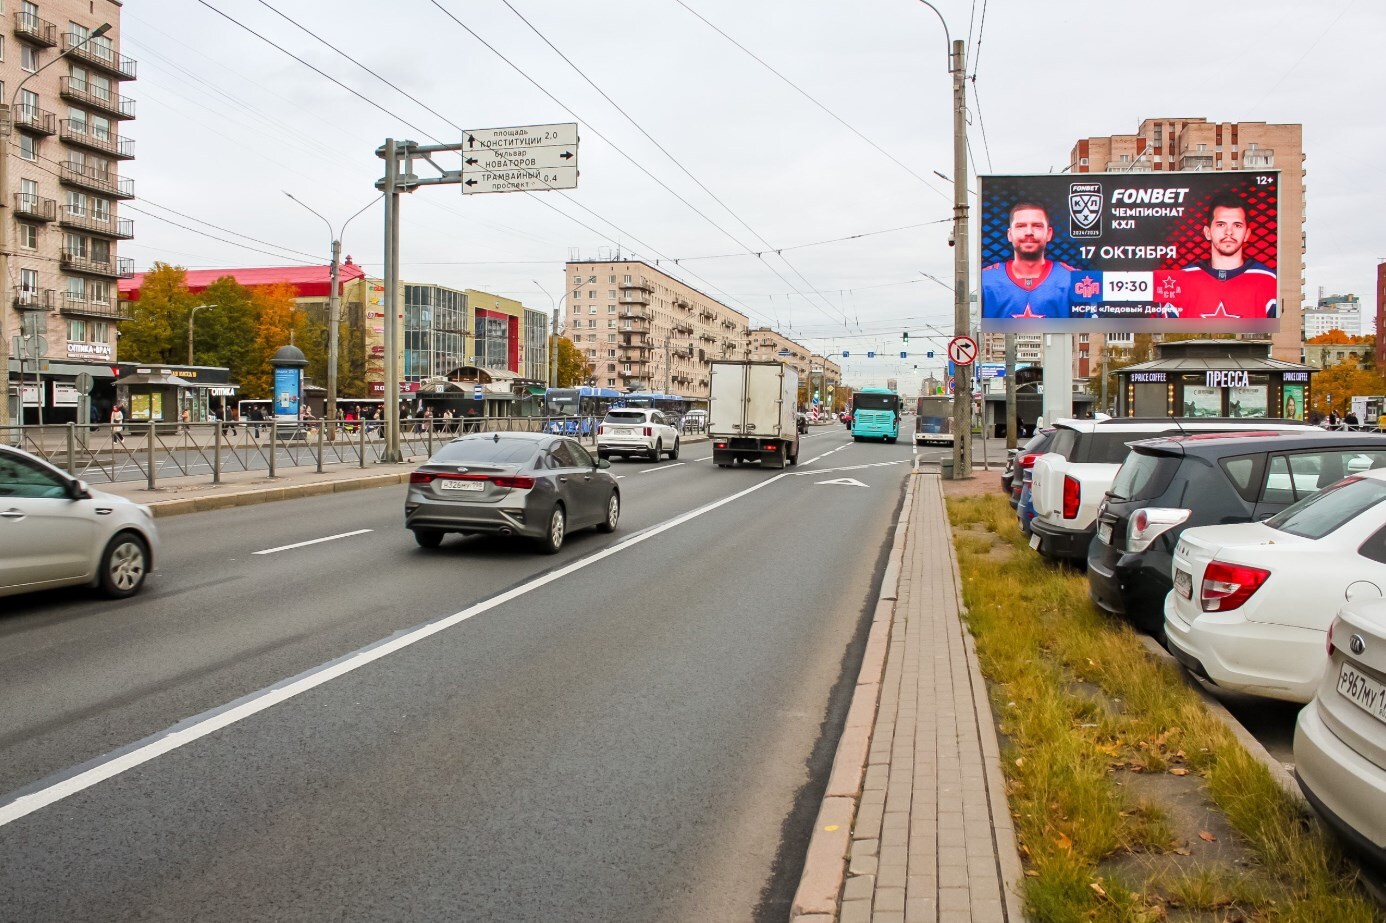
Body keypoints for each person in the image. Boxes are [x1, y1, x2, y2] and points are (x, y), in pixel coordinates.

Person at [1168, 194, 1277, 319]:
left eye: (1237, 225)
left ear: (1247, 234)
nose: (1229, 232)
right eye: (1221, 224)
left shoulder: (1268, 280)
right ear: (1207, 232)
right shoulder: (1181, 281)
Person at [981, 202, 1075, 319]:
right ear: (1010, 234)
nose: (1029, 232)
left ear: (1049, 233)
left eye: (1037, 226)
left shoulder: (1074, 279)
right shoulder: (985, 280)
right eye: (1021, 226)